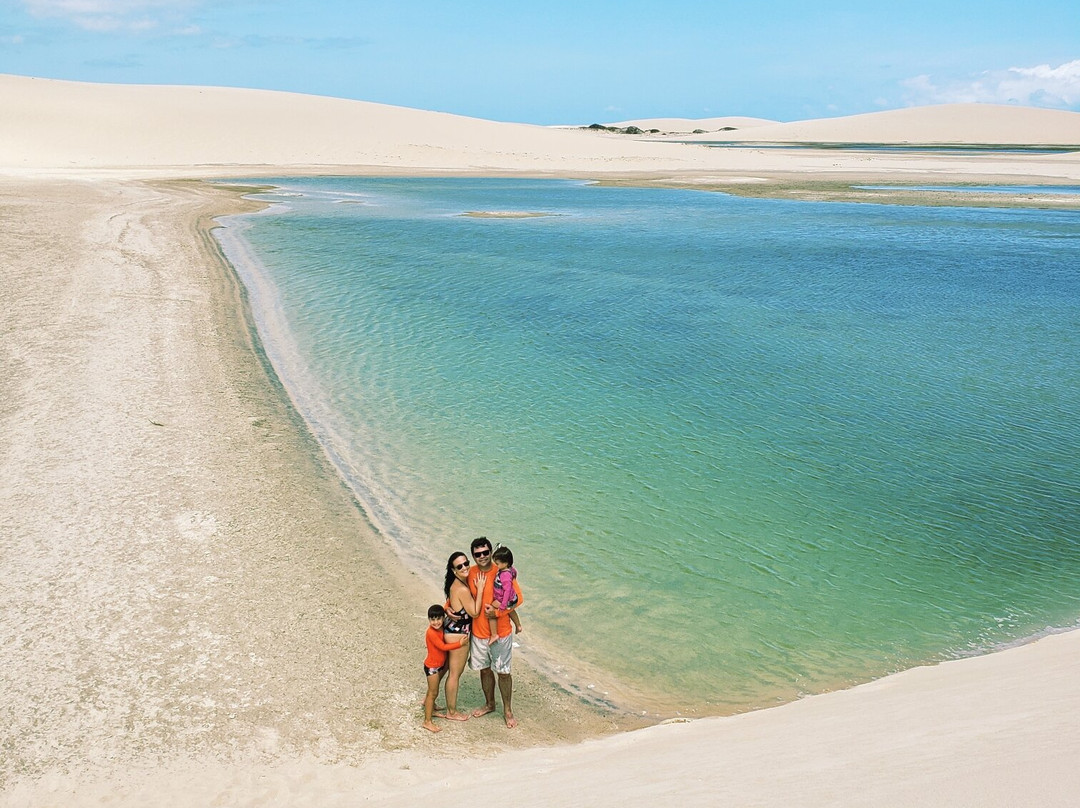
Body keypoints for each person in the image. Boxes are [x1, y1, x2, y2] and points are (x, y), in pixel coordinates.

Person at [467, 536, 523, 728]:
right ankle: (490, 704)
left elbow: (517, 599)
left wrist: (498, 613)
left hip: (502, 632)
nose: (482, 556)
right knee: (484, 670)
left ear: (491, 552)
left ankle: (508, 710)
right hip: (479, 632)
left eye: (485, 552)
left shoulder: (502, 571)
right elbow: (459, 592)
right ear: (473, 556)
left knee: (504, 673)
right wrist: (447, 608)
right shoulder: (470, 573)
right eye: (478, 554)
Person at [440, 551, 487, 722]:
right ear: (454, 570)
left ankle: (430, 698)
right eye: (459, 566)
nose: (465, 567)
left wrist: (446, 608)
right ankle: (451, 712)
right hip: (458, 635)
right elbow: (474, 612)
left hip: (451, 630)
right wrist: (480, 590)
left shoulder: (455, 584)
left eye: (466, 563)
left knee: (446, 669)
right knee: (455, 674)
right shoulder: (461, 588)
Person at [422, 604, 467, 733]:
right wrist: (459, 643)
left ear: (443, 618)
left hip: (438, 665)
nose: (436, 622)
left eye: (438, 619)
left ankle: (431, 708)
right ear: (429, 620)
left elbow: (446, 606)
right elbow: (442, 647)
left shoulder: (440, 628)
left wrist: (447, 607)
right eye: (432, 620)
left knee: (433, 691)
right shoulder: (431, 632)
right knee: (433, 693)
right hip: (432, 668)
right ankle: (427, 721)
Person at [489, 545, 522, 637]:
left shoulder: (505, 575)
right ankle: (518, 625)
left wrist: (503, 605)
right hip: (513, 598)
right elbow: (515, 572)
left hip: (506, 599)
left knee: (491, 607)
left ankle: (494, 634)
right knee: (511, 610)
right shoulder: (510, 569)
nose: (495, 565)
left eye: (497, 564)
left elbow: (507, 591)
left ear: (506, 563)